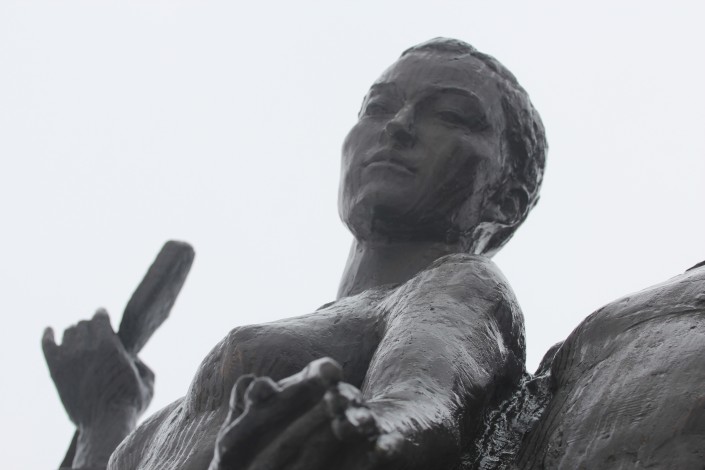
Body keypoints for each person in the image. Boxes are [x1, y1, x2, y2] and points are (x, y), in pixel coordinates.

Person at [43, 37, 547, 470]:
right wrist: (106, 415)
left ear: (506, 199)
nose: (397, 124)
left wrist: (360, 433)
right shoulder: (185, 415)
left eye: (451, 115)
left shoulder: (454, 284)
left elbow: (426, 403)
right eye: (377, 107)